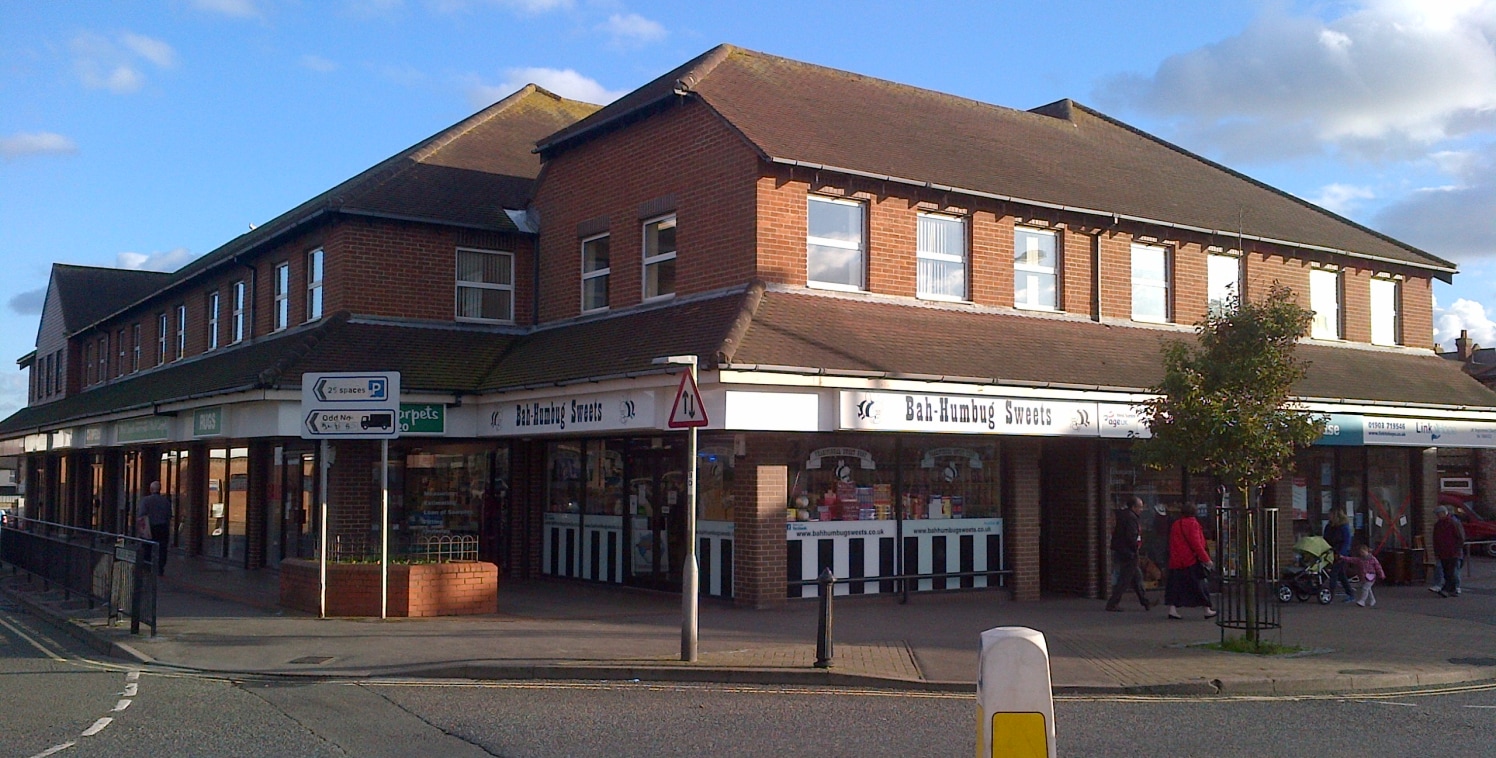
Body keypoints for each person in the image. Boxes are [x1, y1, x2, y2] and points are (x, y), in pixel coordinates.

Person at [1164, 503, 1216, 620]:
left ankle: (1172, 609)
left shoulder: (1176, 524)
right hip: (1190, 560)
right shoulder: (1193, 524)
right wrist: (1206, 559)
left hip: (1177, 560)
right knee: (1200, 585)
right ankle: (1206, 609)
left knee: (1175, 586)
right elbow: (1196, 544)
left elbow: (1172, 543)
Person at [1105, 496, 1152, 612]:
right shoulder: (1131, 518)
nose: (1141, 509)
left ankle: (1145, 601)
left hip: (1121, 550)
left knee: (1136, 576)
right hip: (1129, 552)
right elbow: (1131, 536)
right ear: (1134, 507)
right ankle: (1113, 603)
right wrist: (1136, 547)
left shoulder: (1122, 515)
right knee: (1125, 579)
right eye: (1140, 507)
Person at [137, 481, 173, 577]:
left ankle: (147, 567)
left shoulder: (146, 500)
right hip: (163, 527)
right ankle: (160, 569)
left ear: (151, 489)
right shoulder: (165, 501)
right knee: (162, 548)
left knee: (147, 548)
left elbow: (141, 515)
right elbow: (169, 515)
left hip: (150, 528)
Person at [1428, 509, 1465, 596]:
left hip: (1453, 552)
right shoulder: (1438, 525)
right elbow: (1436, 539)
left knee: (1451, 571)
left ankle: (1447, 589)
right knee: (1446, 571)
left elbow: (1460, 537)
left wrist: (1457, 549)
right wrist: (1437, 552)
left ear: (1444, 513)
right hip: (1443, 552)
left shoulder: (1453, 523)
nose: (1437, 516)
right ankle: (1452, 589)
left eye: (1439, 514)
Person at [1323, 510, 1355, 602]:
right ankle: (1350, 593)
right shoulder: (1329, 526)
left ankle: (1330, 595)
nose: (1329, 516)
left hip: (1340, 553)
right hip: (1331, 552)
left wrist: (1341, 553)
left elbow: (1346, 541)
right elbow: (1325, 538)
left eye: (1331, 515)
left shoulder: (1343, 527)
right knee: (1341, 575)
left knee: (1334, 573)